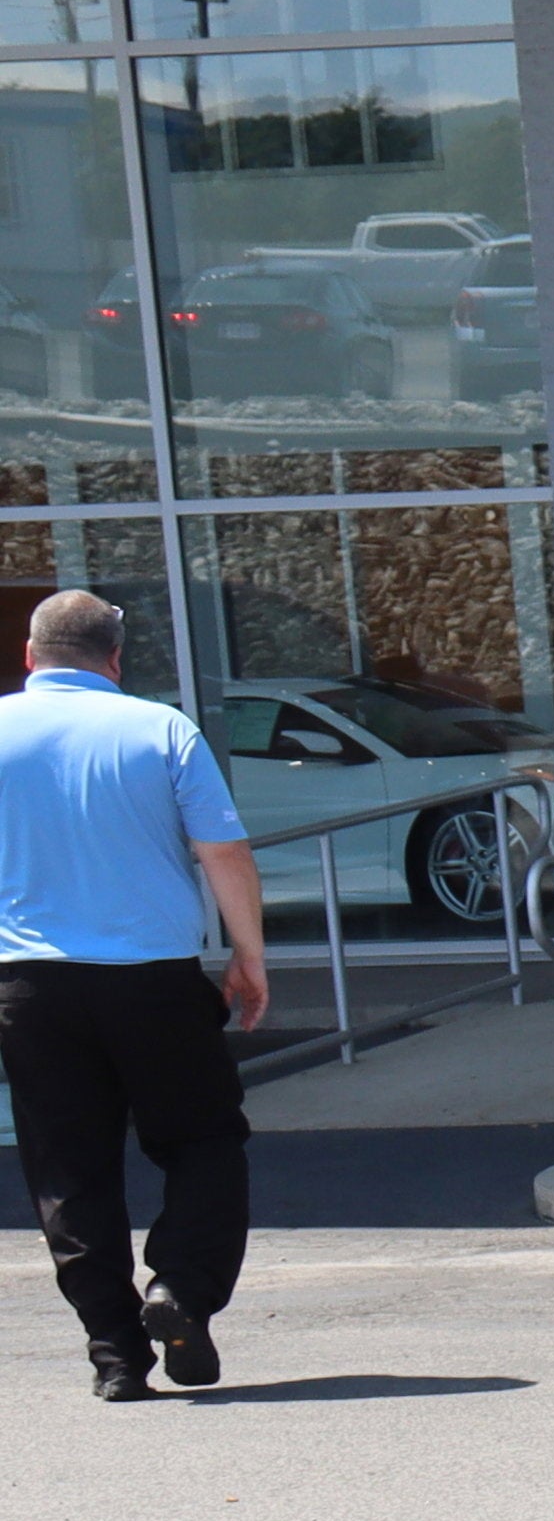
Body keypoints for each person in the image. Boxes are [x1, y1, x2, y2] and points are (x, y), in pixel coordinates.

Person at [0, 590, 265, 1403]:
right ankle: (180, 1288)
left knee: (67, 1169)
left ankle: (114, 1353)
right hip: (152, 979)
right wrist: (248, 956)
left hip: (30, 987)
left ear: (30, 656)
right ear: (116, 659)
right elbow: (221, 850)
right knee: (204, 1141)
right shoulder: (161, 728)